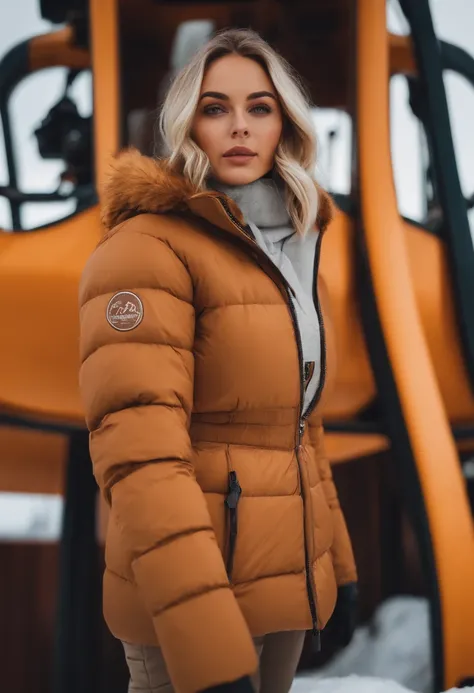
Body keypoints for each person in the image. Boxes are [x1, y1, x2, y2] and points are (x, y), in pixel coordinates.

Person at [79, 28, 357, 693]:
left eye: (260, 107)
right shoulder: (146, 250)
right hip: (189, 604)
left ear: (284, 124)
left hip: (280, 592)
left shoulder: (290, 248)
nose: (239, 126)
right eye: (215, 107)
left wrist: (336, 569)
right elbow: (142, 460)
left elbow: (298, 425)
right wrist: (205, 633)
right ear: (185, 124)